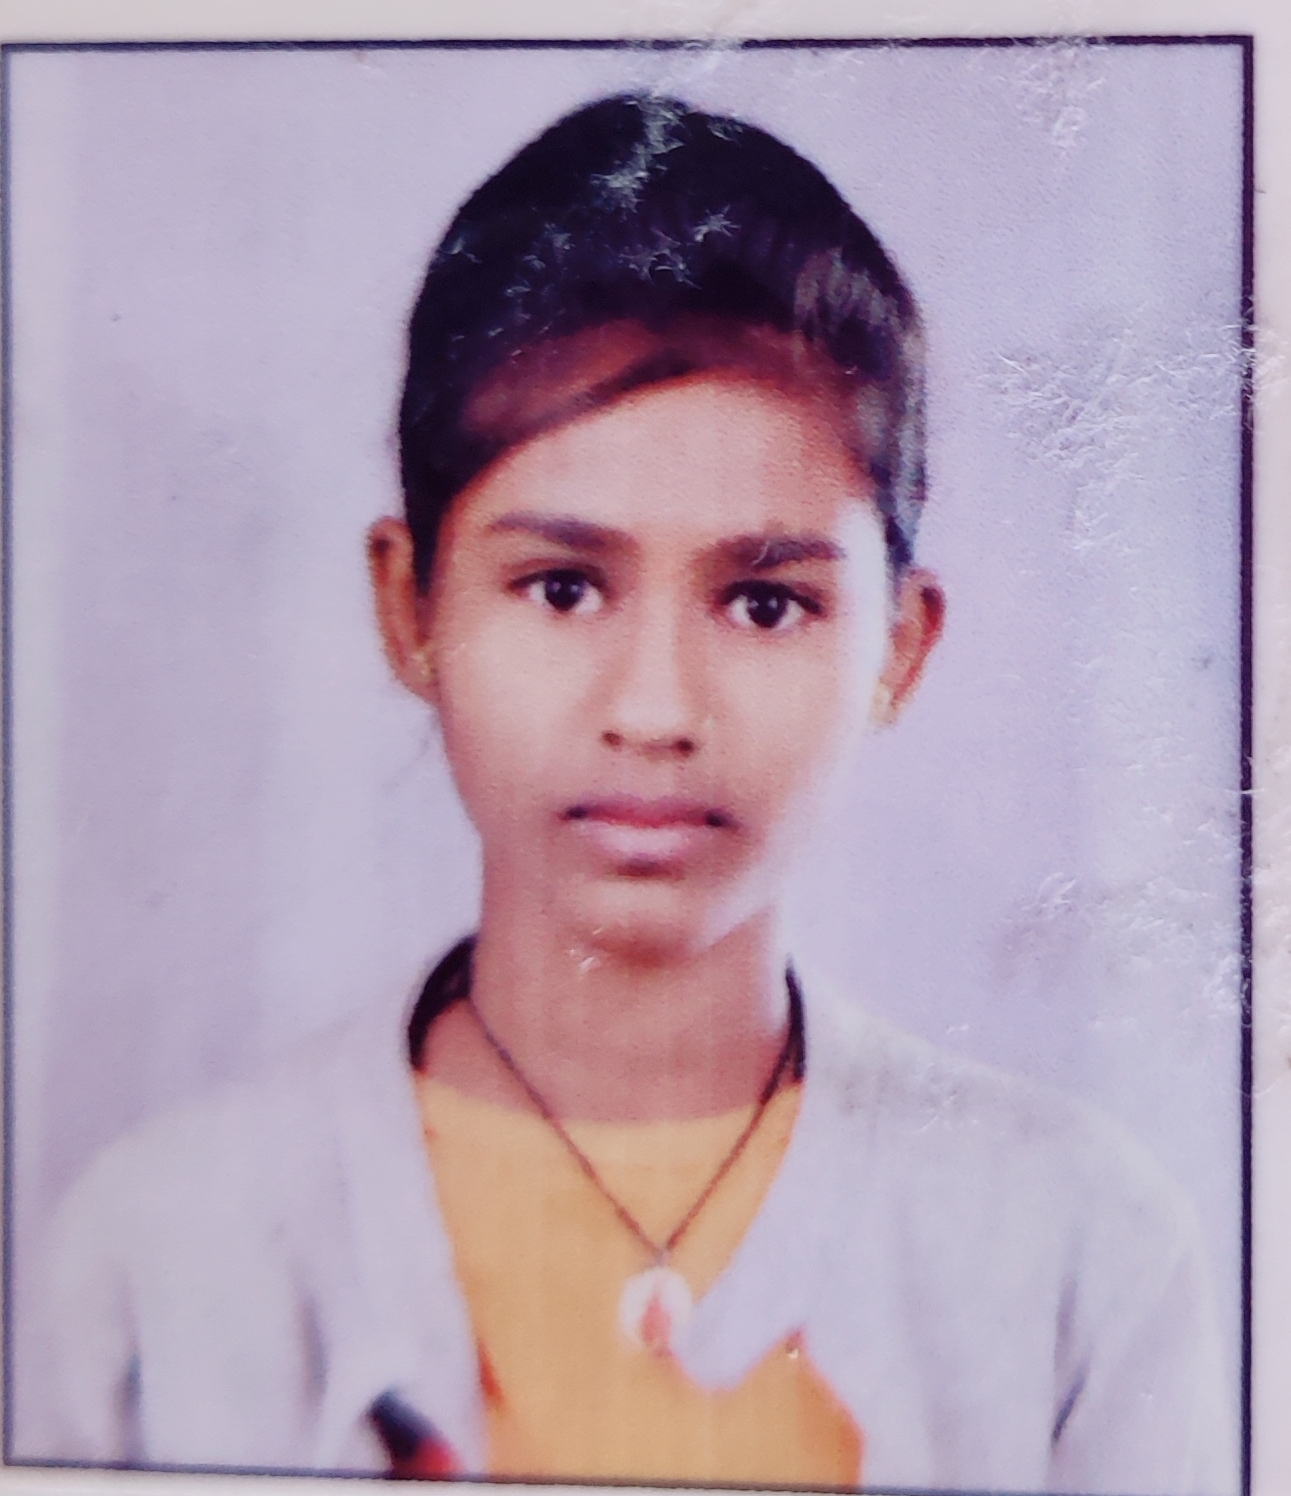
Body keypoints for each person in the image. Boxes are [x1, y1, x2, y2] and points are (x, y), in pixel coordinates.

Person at [38, 94, 1232, 1494]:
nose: (656, 711)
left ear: (899, 648)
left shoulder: (1081, 1256)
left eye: (765, 603)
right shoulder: (161, 1255)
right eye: (562, 587)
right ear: (411, 607)